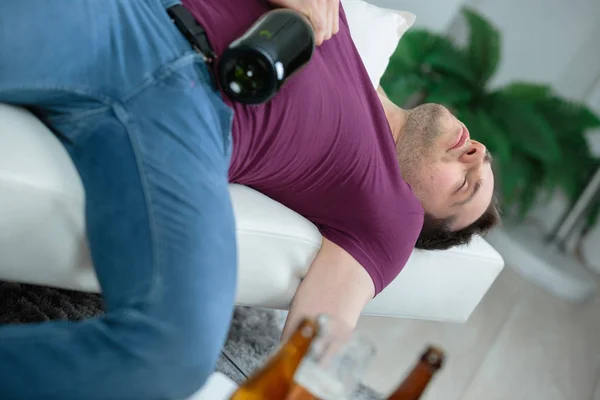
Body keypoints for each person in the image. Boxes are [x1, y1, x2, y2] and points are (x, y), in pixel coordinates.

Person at [0, 0, 499, 398]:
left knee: (175, 352)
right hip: (134, 18)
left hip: (186, 128)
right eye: (483, 158)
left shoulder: (392, 212)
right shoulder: (338, 24)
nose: (474, 155)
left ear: (423, 218)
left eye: (464, 184)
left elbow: (319, 340)